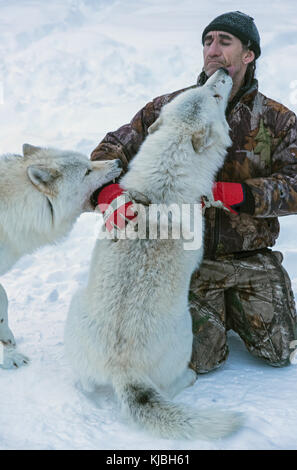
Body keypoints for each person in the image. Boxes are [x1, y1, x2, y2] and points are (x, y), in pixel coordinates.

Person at [91, 11, 297, 372]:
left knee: (280, 352)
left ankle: (241, 306)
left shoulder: (277, 120)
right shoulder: (170, 108)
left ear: (249, 55)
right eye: (207, 41)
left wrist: (238, 194)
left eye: (224, 41)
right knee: (198, 361)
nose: (213, 50)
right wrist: (107, 194)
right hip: (185, 258)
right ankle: (214, 309)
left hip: (251, 255)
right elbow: (109, 151)